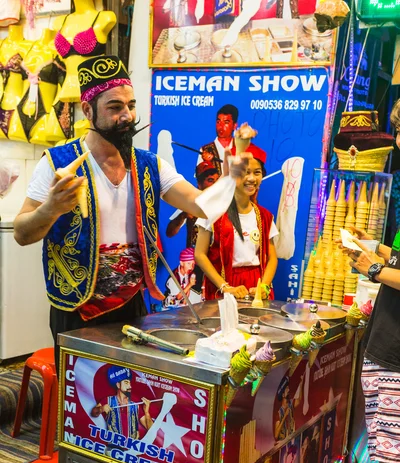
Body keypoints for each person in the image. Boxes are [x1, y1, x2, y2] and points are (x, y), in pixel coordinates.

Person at [13, 55, 247, 370]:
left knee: (127, 393)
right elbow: (22, 233)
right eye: (115, 107)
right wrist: (51, 209)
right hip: (76, 308)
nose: (127, 116)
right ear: (88, 111)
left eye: (131, 105)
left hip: (131, 305)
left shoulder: (149, 165)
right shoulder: (57, 163)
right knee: (80, 400)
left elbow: (206, 204)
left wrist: (239, 154)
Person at [325, 100, 400, 463]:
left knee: (391, 454)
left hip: (395, 347)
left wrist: (371, 269)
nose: (397, 140)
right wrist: (378, 248)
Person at [195, 148, 278, 300]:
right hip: (223, 284)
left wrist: (264, 286)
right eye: (246, 172)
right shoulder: (212, 212)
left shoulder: (265, 216)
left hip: (256, 286)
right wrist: (225, 287)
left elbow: (272, 257)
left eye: (257, 172)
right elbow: (199, 254)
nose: (252, 178)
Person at [166, 160, 219, 247]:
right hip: (194, 257)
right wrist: (183, 216)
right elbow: (170, 232)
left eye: (216, 180)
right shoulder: (192, 201)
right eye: (210, 180)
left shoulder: (224, 203)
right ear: (199, 184)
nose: (215, 184)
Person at [91, 366, 154, 439]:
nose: (130, 386)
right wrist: (101, 409)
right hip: (112, 447)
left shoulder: (135, 404)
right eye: (126, 383)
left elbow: (151, 430)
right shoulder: (108, 400)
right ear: (118, 385)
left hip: (132, 448)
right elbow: (93, 413)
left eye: (130, 383)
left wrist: (147, 412)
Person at [274, 374, 300, 441]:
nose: (288, 390)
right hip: (283, 445)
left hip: (291, 440)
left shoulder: (291, 403)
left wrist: (301, 383)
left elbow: (299, 400)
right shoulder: (279, 413)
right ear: (283, 394)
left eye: (288, 388)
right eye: (286, 388)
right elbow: (276, 435)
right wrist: (285, 416)